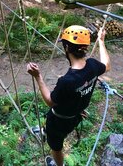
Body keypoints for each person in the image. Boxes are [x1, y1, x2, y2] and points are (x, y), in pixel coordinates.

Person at [27, 25, 111, 166]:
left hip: (59, 121)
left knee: (56, 146)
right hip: (75, 115)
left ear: (66, 48)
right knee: (53, 123)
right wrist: (101, 41)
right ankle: (45, 131)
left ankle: (59, 164)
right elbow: (107, 65)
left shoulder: (67, 81)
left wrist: (38, 76)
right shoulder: (93, 65)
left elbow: (50, 101)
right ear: (85, 47)